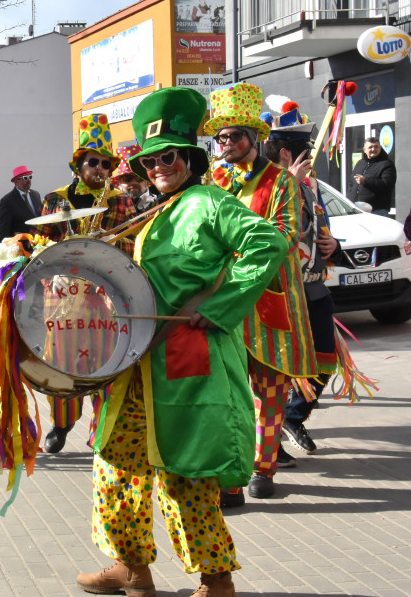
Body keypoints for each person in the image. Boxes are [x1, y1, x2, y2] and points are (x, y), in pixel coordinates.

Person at [75, 87, 287, 597]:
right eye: (149, 160)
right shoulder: (159, 210)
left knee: (184, 476)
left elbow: (268, 243)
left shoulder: (210, 202)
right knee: (118, 465)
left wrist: (216, 308)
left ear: (190, 155)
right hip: (138, 366)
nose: (157, 167)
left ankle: (216, 582)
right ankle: (131, 569)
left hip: (185, 360)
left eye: (167, 156)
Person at [207, 82, 317, 503]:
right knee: (229, 393)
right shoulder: (213, 182)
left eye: (235, 135)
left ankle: (263, 468)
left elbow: (287, 235)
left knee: (269, 390)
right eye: (222, 137)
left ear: (255, 139)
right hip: (224, 304)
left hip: (267, 301)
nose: (228, 143)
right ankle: (232, 473)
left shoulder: (281, 183)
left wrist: (239, 253)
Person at [36, 114, 136, 454]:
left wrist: (104, 247)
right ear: (79, 165)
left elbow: (130, 247)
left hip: (102, 297)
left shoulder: (120, 201)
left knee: (105, 363)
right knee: (61, 363)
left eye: (106, 164)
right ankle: (62, 423)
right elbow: (40, 242)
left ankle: (101, 429)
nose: (100, 168)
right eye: (93, 162)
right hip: (61, 297)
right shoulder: (55, 199)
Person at [263, 123, 343, 464]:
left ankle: (293, 418)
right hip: (282, 294)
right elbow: (263, 232)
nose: (311, 157)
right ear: (287, 153)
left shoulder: (310, 187)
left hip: (314, 290)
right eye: (306, 151)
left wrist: (334, 246)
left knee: (325, 361)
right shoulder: (269, 186)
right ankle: (269, 445)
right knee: (277, 371)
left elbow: (319, 230)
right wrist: (290, 184)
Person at [349, 136, 396, 216]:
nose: (373, 149)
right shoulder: (360, 163)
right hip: (356, 209)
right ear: (364, 149)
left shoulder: (386, 164)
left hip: (377, 210)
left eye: (376, 147)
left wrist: (366, 181)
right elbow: (351, 183)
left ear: (380, 148)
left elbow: (387, 184)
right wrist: (349, 198)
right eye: (370, 147)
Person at [0, 165, 42, 243]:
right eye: (25, 178)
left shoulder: (36, 195)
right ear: (16, 180)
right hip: (21, 246)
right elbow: (2, 230)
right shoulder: (7, 201)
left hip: (38, 243)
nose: (29, 180)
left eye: (30, 177)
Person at [112, 143, 156, 212]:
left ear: (146, 181)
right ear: (118, 183)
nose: (134, 182)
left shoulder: (160, 204)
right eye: (127, 178)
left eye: (139, 177)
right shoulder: (110, 207)